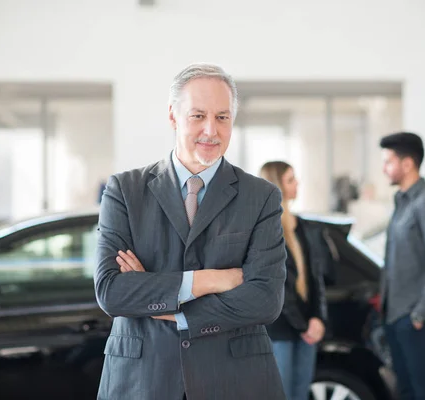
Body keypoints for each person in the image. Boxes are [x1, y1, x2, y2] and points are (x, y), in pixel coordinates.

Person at [94, 64, 287, 400]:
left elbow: (264, 301)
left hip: (236, 381)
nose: (211, 130)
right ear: (173, 116)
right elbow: (112, 291)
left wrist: (162, 302)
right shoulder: (125, 190)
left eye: (222, 117)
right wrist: (212, 280)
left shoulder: (261, 196)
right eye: (198, 116)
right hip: (143, 380)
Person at [379, 132, 425, 400]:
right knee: (407, 391)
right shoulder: (402, 202)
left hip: (415, 319)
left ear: (408, 163)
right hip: (396, 316)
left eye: (388, 161)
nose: (383, 168)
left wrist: (420, 316)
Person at [260, 161, 330, 400]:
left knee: (300, 394)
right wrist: (304, 325)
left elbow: (315, 278)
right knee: (282, 395)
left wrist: (318, 318)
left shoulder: (303, 226)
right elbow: (279, 285)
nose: (297, 183)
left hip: (307, 328)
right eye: (290, 179)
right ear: (276, 185)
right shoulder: (265, 229)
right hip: (281, 329)